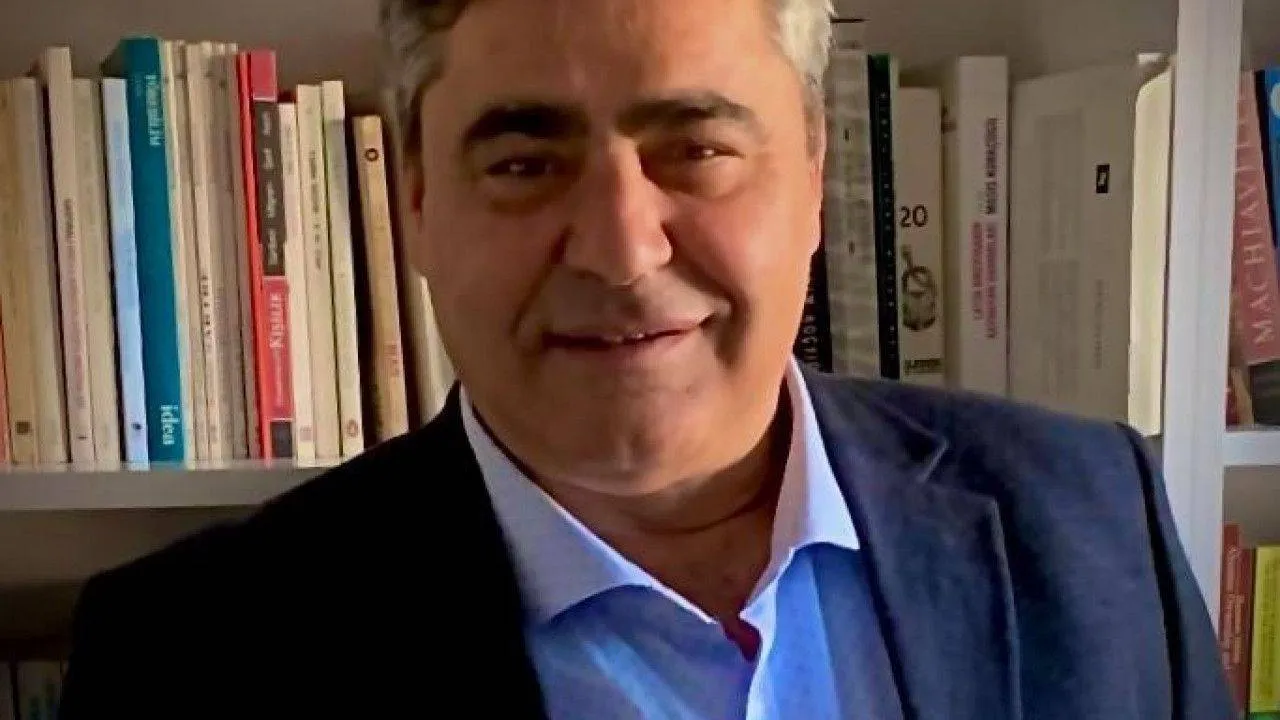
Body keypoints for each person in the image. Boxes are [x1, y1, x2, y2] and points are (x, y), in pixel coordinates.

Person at [59, 0, 1233, 717]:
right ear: (414, 201)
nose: (621, 250)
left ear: (813, 174)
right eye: (524, 164)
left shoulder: (1091, 521)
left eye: (696, 149)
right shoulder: (189, 658)